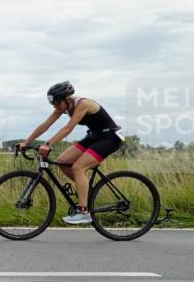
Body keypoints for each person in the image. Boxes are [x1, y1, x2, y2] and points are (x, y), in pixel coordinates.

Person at [17, 81, 123, 224]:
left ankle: (84, 213)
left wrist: (48, 144)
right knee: (63, 161)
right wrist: (26, 142)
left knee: (78, 168)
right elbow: (45, 125)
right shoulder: (62, 107)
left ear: (67, 99)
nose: (56, 107)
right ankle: (87, 191)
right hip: (94, 136)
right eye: (54, 104)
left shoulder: (83, 104)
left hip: (109, 138)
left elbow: (68, 128)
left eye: (58, 103)